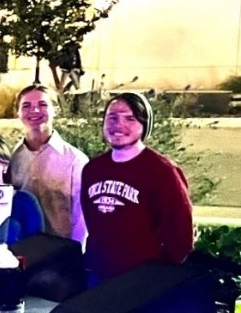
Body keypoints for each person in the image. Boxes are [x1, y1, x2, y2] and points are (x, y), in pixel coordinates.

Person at [81, 93, 193, 282]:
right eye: (112, 117)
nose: (119, 125)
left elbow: (180, 233)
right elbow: (91, 221)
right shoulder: (93, 169)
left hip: (144, 279)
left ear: (144, 124)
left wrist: (161, 272)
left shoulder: (162, 171)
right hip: (98, 274)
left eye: (130, 118)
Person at [10, 84, 88, 244]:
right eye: (26, 106)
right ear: (17, 113)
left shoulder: (75, 160)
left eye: (42, 105)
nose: (34, 111)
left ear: (56, 110)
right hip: (21, 251)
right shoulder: (11, 159)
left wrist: (76, 254)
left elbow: (82, 217)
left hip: (59, 253)